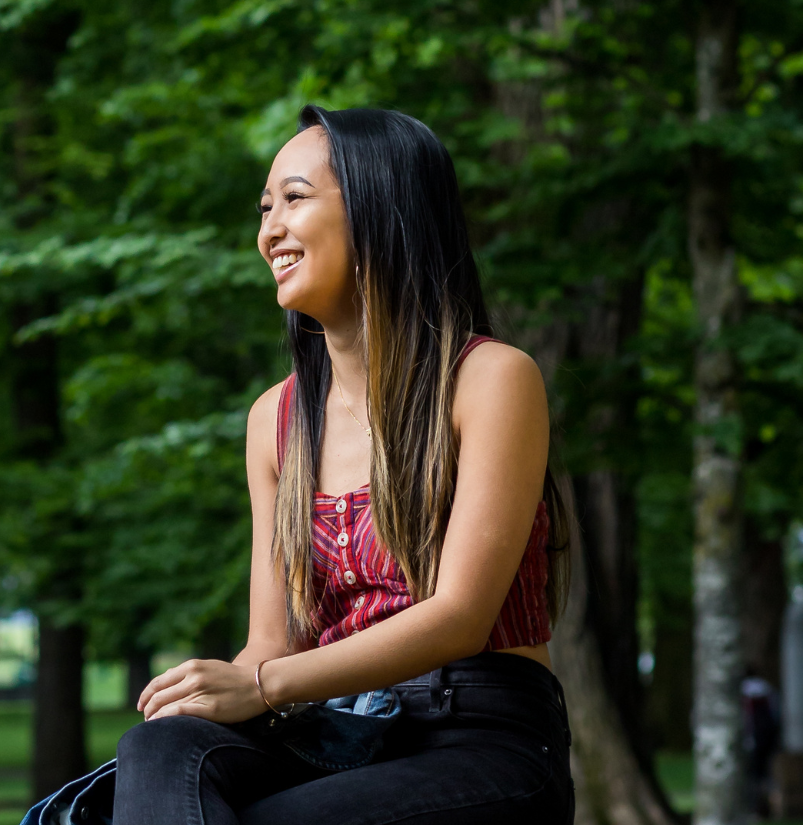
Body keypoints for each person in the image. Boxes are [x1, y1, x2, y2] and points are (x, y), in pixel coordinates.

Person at [108, 106, 575, 824]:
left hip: (477, 729)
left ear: (380, 210)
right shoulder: (276, 420)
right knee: (159, 751)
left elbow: (458, 617)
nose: (268, 231)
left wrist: (262, 684)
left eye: (294, 199)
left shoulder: (491, 380)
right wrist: (213, 690)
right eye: (265, 209)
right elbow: (271, 641)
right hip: (334, 730)